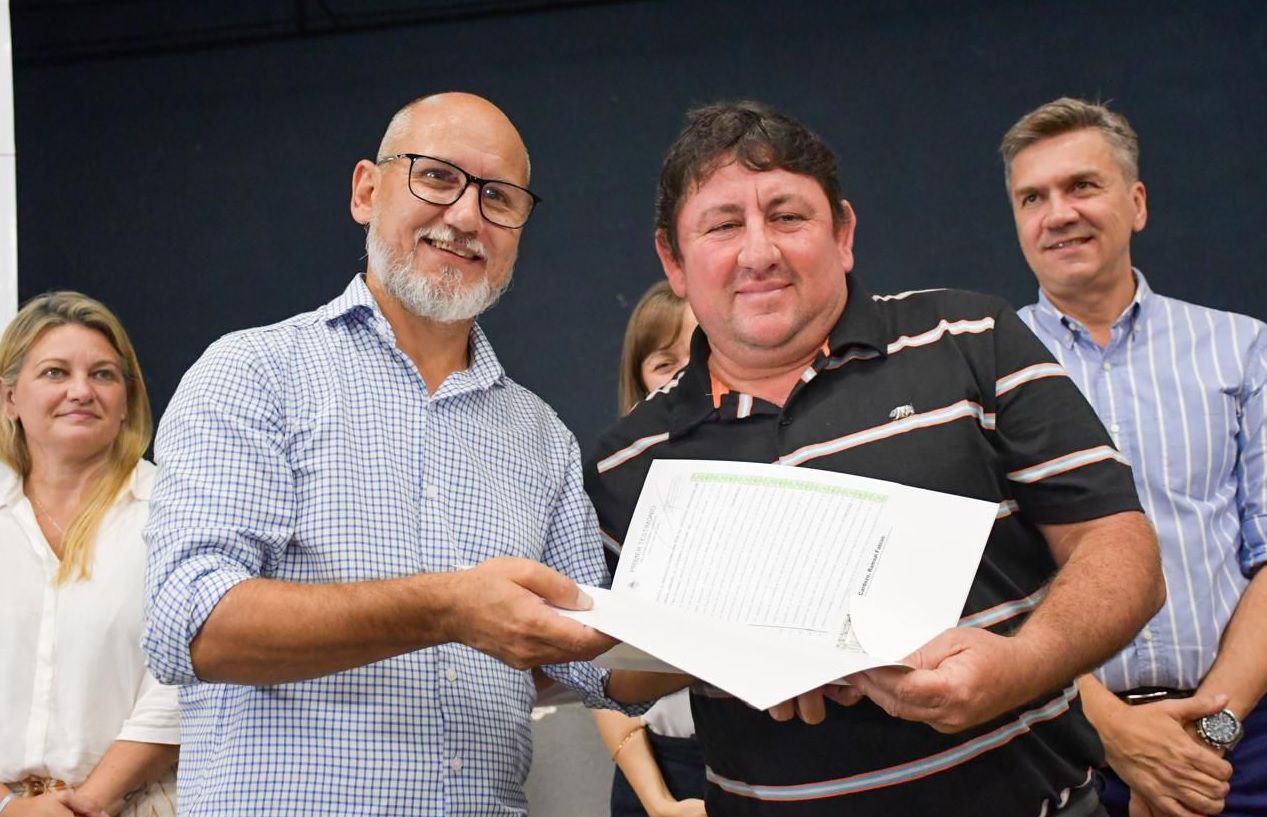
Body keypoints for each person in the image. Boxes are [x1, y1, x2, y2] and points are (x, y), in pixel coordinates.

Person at [585, 100, 1166, 817]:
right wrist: (738, 647)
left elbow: (1122, 550)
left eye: (787, 216)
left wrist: (1021, 664)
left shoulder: (971, 337)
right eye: (723, 225)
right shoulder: (627, 461)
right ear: (673, 261)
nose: (758, 252)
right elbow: (607, 671)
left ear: (843, 233)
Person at [142, 92, 676, 817]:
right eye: (437, 177)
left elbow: (594, 660)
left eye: (498, 197)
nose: (466, 216)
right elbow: (189, 626)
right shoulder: (254, 374)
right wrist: (444, 608)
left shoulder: (540, 436)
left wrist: (735, 648)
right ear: (366, 190)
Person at [1002, 97, 1267, 817]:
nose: (1058, 214)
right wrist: (1115, 734)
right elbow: (980, 586)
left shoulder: (1242, 348)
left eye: (1082, 186)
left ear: (1137, 203)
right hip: (1054, 744)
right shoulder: (980, 369)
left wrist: (1205, 737)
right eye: (1032, 197)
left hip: (1235, 742)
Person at [1, 292, 179, 817]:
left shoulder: (175, 511)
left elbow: (181, 684)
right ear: (9, 398)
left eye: (102, 375)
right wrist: (9, 806)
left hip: (138, 804)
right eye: (55, 373)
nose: (80, 391)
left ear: (126, 400)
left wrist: (87, 803)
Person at [596, 280, 705, 817]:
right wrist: (659, 803)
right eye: (665, 363)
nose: (685, 374)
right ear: (639, 378)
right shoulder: (611, 494)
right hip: (660, 771)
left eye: (701, 352)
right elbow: (595, 672)